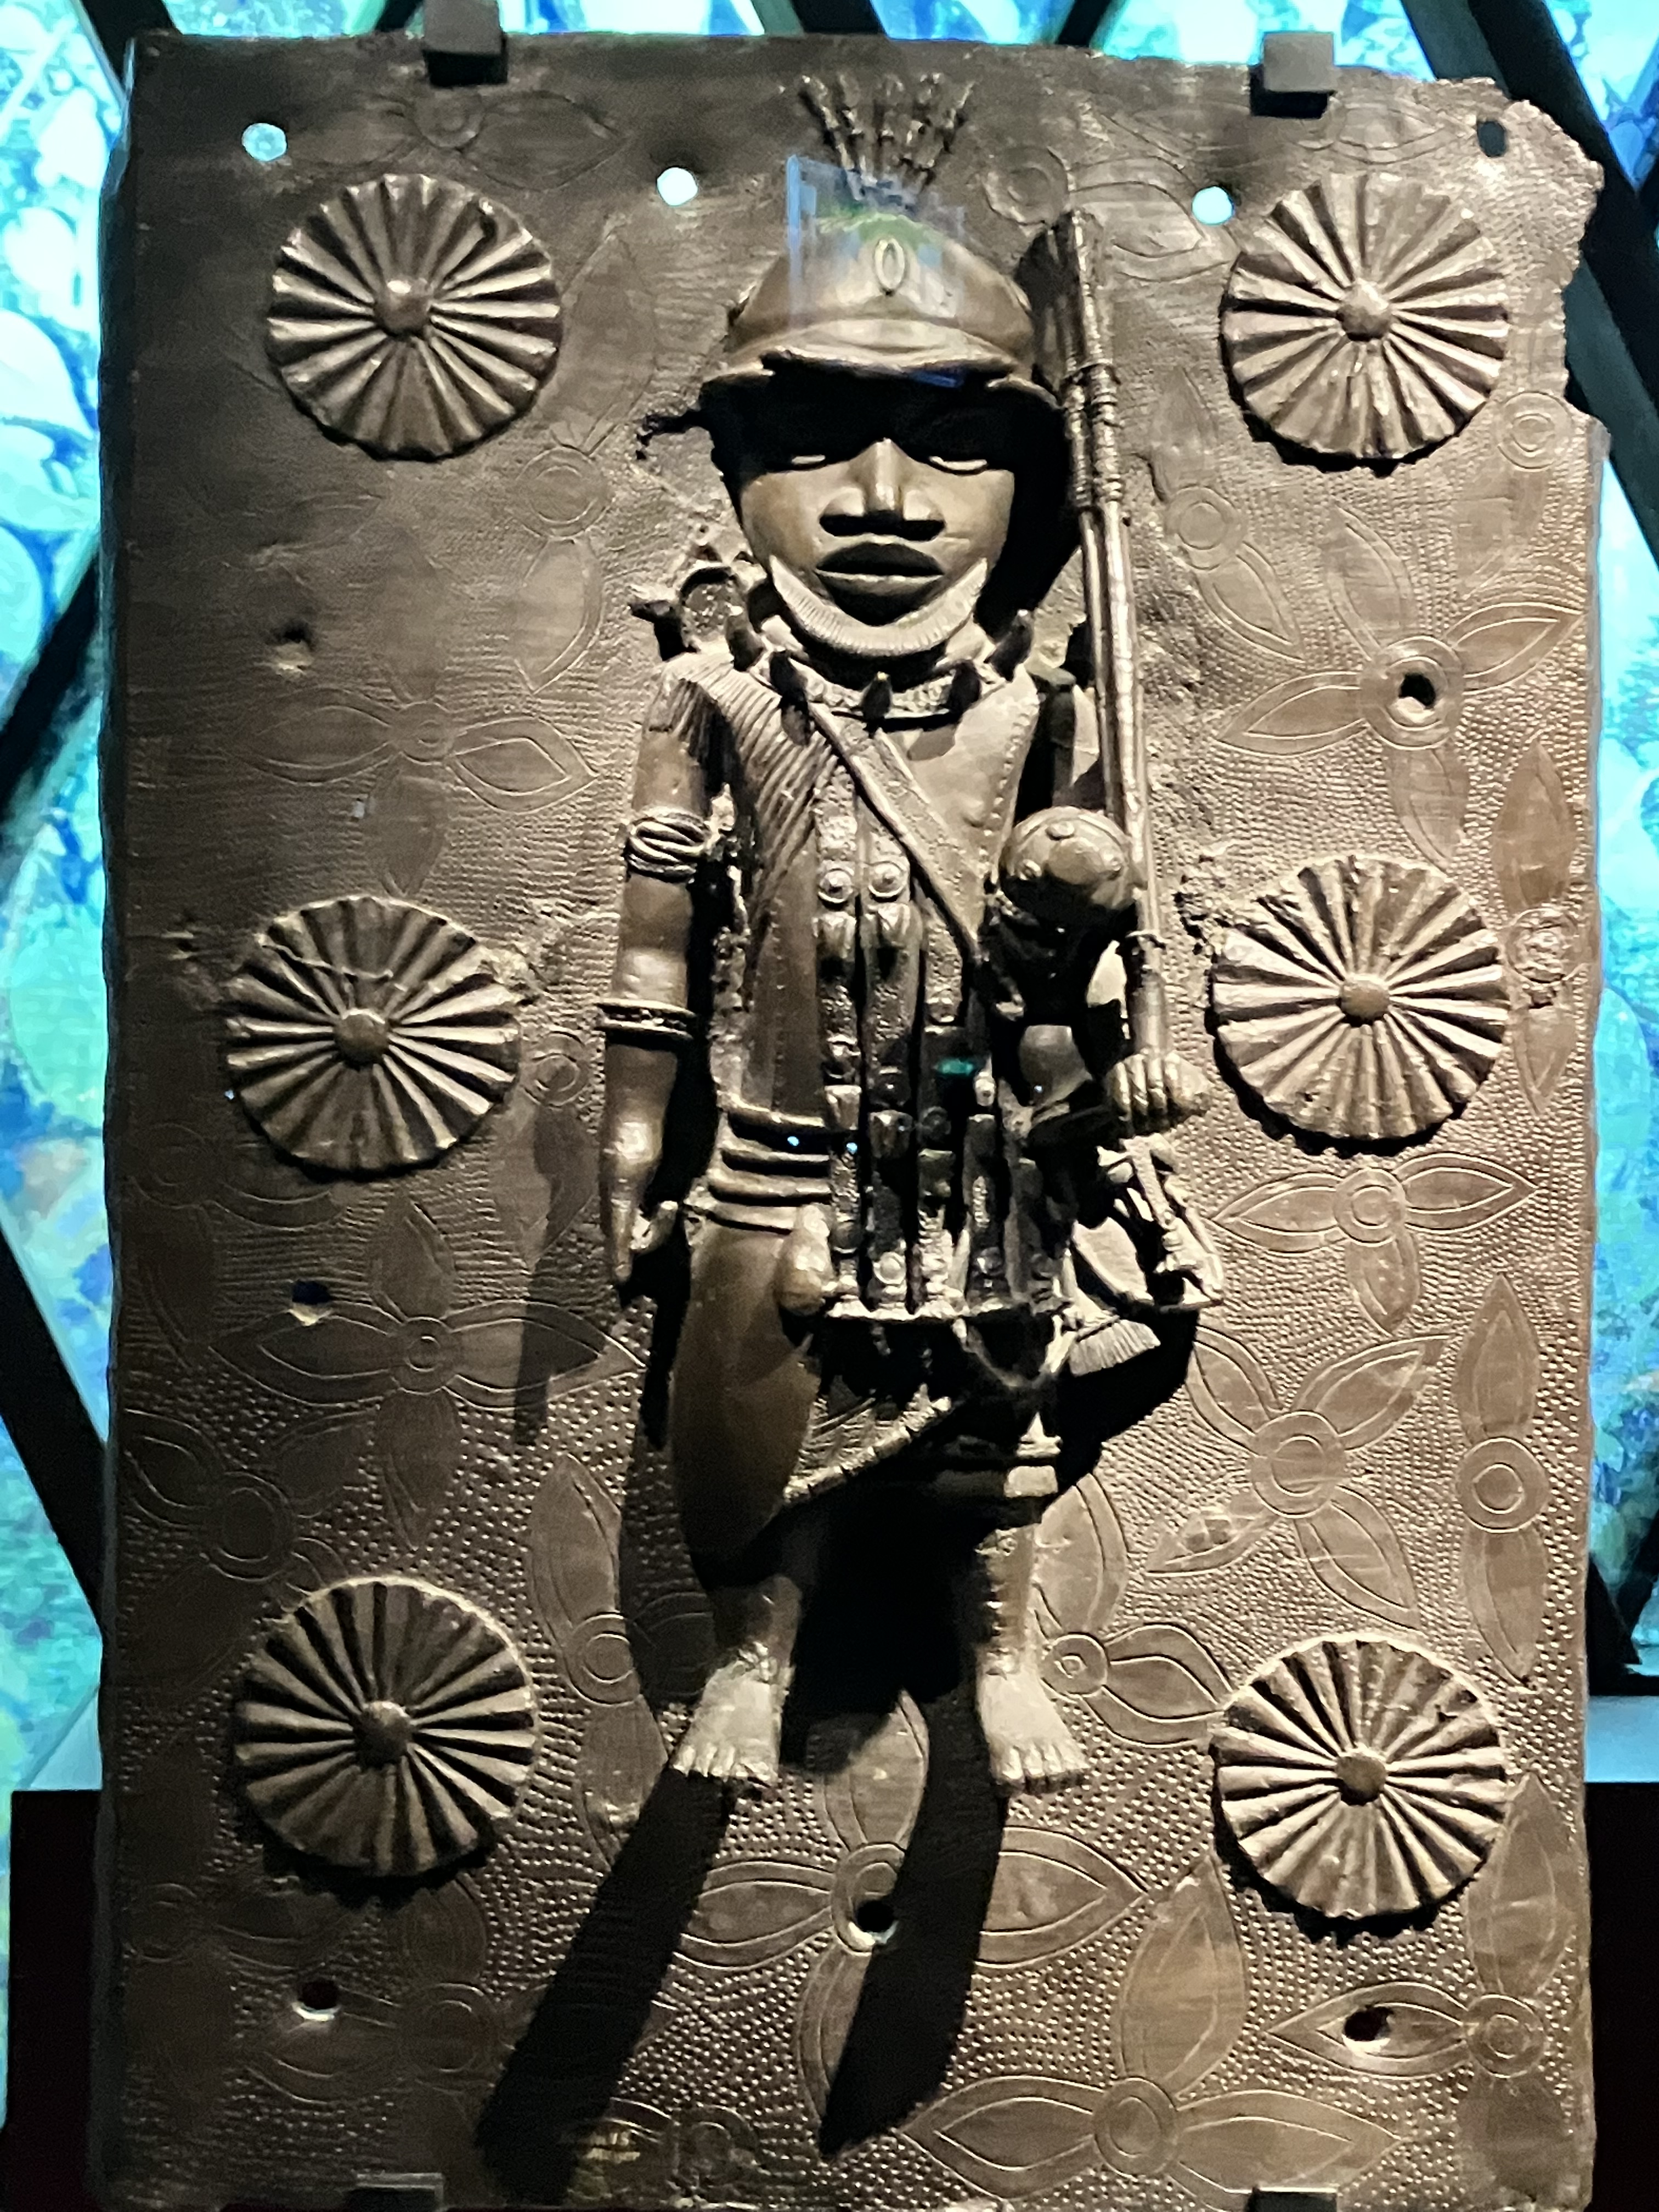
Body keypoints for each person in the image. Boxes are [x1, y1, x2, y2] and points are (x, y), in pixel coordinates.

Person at [599, 151, 1215, 1798]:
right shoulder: (718, 703)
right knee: (744, 1422)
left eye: (953, 446)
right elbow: (657, 948)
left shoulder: (1038, 717)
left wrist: (1114, 1060)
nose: (883, 500)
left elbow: (1073, 965)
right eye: (813, 441)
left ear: (1030, 488)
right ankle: (753, 1655)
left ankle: (1001, 1654)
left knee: (999, 1415)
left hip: (978, 1143)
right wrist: (632, 1140)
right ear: (736, 470)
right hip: (775, 1152)